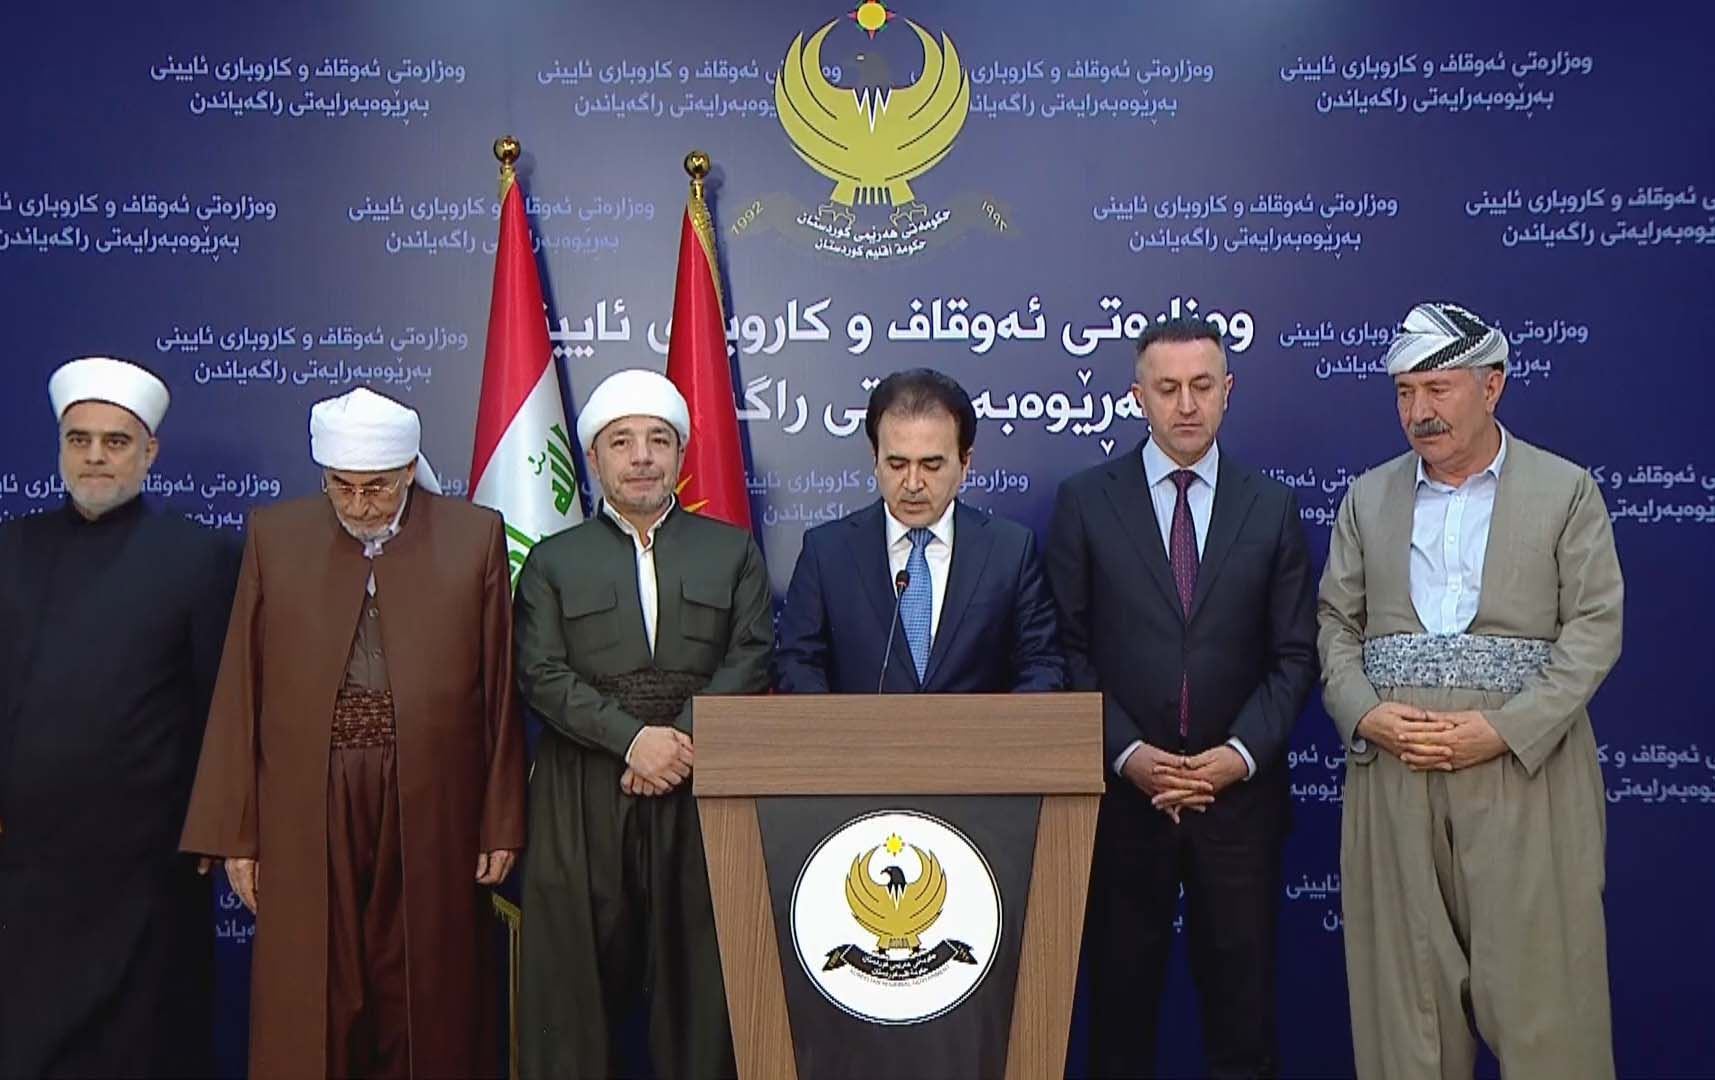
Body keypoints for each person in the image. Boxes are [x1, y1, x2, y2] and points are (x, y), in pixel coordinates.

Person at [180, 386, 525, 1079]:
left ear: (409, 471)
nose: (360, 504)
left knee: (425, 986)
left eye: (378, 488)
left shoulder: (473, 536)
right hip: (309, 795)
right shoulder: (275, 537)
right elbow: (242, 684)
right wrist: (239, 832)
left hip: (433, 795)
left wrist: (500, 819)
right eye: (342, 487)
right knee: (314, 984)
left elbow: (498, 691)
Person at [1318, 302, 1622, 1079]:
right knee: (1405, 1016)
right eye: (1403, 393)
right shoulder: (1366, 498)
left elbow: (1594, 629)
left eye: (1437, 389)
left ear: (1491, 387)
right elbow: (1334, 626)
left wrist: (1504, 730)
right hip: (1394, 780)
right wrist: (1367, 715)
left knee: (1546, 1010)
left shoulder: (1565, 491)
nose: (1418, 411)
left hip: (1525, 777)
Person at [1046, 319, 1317, 1078]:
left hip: (1239, 811)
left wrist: (1236, 757)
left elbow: (1295, 656)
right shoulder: (1084, 502)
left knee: (1243, 1028)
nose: (1186, 405)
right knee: (1118, 1029)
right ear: (1138, 397)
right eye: (1167, 389)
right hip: (1122, 808)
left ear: (1227, 392)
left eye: (1202, 386)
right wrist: (1129, 753)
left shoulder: (1271, 506)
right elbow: (1063, 651)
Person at [514, 368, 773, 1079]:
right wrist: (633, 742)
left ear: (681, 455)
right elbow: (540, 673)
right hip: (584, 789)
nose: (641, 458)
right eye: (621, 442)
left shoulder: (731, 552)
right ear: (593, 459)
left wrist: (677, 743)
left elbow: (752, 655)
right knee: (573, 988)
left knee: (701, 984)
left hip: (700, 788)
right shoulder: (552, 561)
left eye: (659, 440)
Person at [0, 356, 237, 1077]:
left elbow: (222, 706)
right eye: (80, 440)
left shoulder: (199, 556)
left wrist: (215, 821)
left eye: (115, 441)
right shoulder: (10, 550)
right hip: (29, 866)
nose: (96, 457)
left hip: (149, 870)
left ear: (149, 451)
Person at [775, 367, 1064, 693]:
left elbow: (1042, 664)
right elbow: (796, 662)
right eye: (897, 464)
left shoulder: (1009, 551)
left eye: (931, 465)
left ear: (965, 463)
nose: (912, 484)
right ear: (875, 459)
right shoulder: (827, 552)